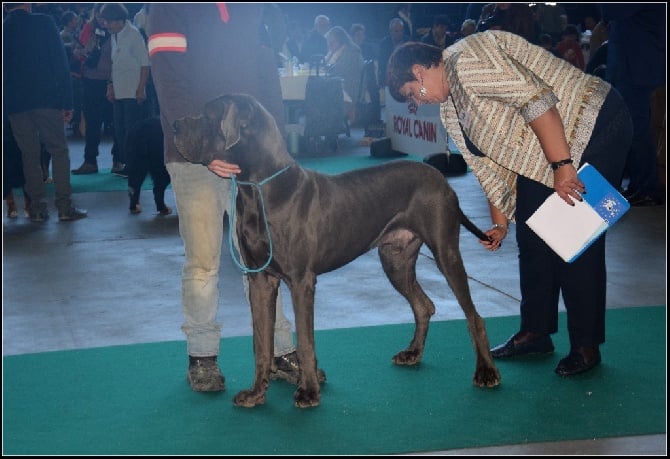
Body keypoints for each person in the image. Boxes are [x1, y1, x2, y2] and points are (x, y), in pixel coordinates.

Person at [386, 31, 633, 377]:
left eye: (413, 93)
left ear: (419, 70)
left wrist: (562, 166)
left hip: (595, 122)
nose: (418, 102)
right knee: (531, 234)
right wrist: (500, 222)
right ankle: (536, 332)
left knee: (574, 241)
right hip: (546, 148)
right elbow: (489, 166)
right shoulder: (450, 112)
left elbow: (536, 100)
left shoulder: (466, 62)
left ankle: (586, 346)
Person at [147, 3, 324, 392]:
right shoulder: (166, 8)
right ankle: (203, 357)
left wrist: (275, 147)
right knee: (203, 263)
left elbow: (266, 76)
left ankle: (279, 351)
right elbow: (169, 82)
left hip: (253, 161)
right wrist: (206, 150)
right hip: (195, 157)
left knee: (266, 261)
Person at [3, 3, 88, 223]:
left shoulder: (4, 28)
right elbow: (60, 62)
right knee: (58, 150)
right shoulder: (44, 23)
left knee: (28, 155)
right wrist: (67, 101)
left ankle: (38, 209)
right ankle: (64, 207)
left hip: (15, 105)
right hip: (47, 100)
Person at [602, 4, 665, 206]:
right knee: (633, 128)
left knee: (636, 128)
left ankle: (646, 188)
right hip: (631, 66)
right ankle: (640, 186)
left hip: (635, 68)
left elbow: (612, 11)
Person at [100, 2, 151, 179]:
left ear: (119, 20)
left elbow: (145, 64)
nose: (106, 25)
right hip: (119, 91)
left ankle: (136, 166)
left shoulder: (134, 35)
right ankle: (129, 164)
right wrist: (110, 86)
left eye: (109, 21)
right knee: (121, 131)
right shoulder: (115, 35)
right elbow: (115, 65)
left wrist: (141, 89)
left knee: (132, 132)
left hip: (133, 90)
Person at [71, 3, 120, 176]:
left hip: (111, 81)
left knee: (115, 123)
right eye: (99, 16)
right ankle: (90, 161)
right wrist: (82, 51)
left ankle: (118, 161)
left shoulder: (117, 30)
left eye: (104, 17)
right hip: (90, 81)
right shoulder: (88, 29)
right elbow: (75, 51)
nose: (102, 20)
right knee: (92, 123)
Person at [377, 17, 408, 89]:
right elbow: (381, 64)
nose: (400, 33)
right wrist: (381, 79)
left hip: (405, 80)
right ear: (391, 31)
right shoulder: (384, 44)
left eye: (401, 31)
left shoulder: (408, 42)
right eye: (396, 31)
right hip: (389, 80)